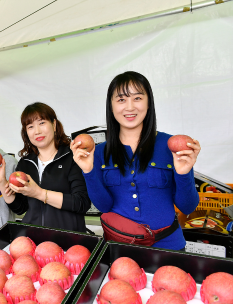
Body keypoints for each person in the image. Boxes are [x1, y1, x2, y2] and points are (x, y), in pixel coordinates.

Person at [71, 71, 201, 250]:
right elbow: (104, 205)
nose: (130, 107)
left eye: (137, 98)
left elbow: (188, 207)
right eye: (121, 99)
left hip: (170, 246)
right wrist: (88, 171)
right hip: (120, 247)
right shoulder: (99, 152)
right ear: (111, 106)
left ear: (149, 104)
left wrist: (184, 173)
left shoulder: (170, 145)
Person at [0, 102, 91, 232]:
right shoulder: (25, 163)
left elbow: (81, 203)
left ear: (54, 125)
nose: (37, 131)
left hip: (67, 240)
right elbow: (20, 208)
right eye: (30, 126)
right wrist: (1, 182)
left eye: (42, 123)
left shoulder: (73, 158)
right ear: (26, 132)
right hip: (34, 239)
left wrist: (39, 193)